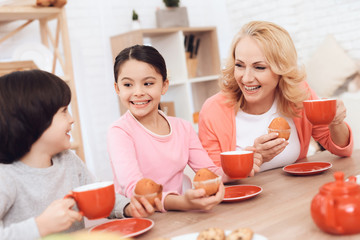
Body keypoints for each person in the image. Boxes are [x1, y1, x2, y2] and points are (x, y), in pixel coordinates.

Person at [0, 70, 156, 240]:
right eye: (64, 111)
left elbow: (100, 199)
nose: (72, 119)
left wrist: (128, 207)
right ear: (33, 119)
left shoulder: (68, 160)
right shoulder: (6, 177)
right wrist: (40, 226)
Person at [108, 45, 254, 212]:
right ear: (117, 89)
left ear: (164, 85)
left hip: (177, 215)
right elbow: (134, 189)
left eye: (148, 83)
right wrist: (182, 203)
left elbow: (209, 172)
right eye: (128, 85)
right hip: (141, 220)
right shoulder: (119, 132)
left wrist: (240, 168)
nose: (138, 92)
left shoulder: (182, 127)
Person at [198, 21, 353, 172]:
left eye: (259, 67)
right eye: (239, 65)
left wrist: (336, 123)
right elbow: (212, 177)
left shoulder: (299, 94)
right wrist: (253, 157)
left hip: (294, 191)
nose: (246, 78)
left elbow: (341, 150)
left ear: (282, 69)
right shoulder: (213, 110)